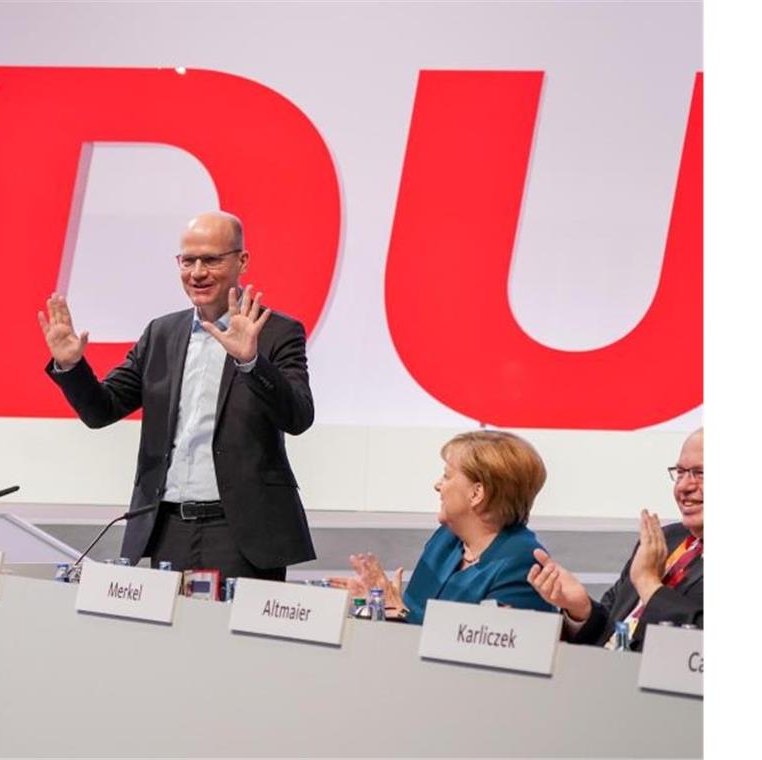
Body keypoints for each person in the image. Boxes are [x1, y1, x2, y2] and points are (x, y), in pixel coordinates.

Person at [38, 210, 315, 581]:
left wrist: (250, 361)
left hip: (242, 532)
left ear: (242, 261)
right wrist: (71, 367)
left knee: (234, 640)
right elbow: (101, 410)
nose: (197, 272)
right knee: (166, 639)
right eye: (188, 260)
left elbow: (298, 416)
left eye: (212, 260)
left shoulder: (277, 332)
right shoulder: (161, 333)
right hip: (167, 527)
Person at [332, 430, 556, 624]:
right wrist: (374, 607)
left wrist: (393, 610)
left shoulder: (523, 565)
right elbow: (410, 621)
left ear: (477, 493)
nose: (438, 485)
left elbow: (476, 652)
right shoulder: (446, 540)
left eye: (447, 476)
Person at [527, 428, 703, 650]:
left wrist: (649, 585)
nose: (683, 486)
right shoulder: (665, 539)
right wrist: (581, 610)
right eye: (680, 472)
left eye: (700, 473)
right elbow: (612, 627)